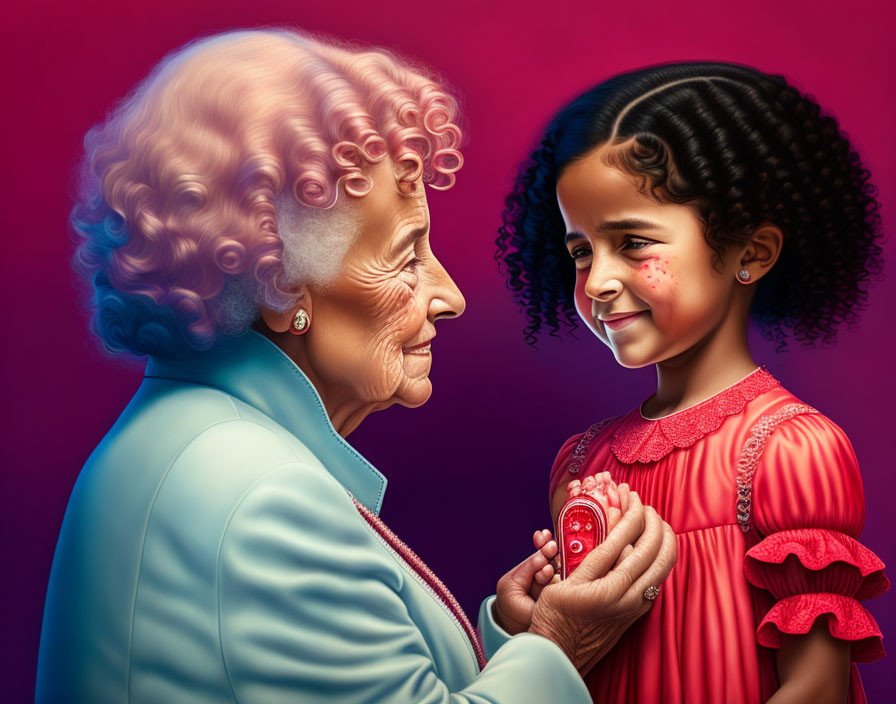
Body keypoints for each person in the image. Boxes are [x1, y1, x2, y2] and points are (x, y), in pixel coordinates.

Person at [36, 28, 677, 703]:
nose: (450, 297)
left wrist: (515, 639)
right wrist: (561, 646)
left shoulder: (176, 442)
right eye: (406, 257)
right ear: (281, 286)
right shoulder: (264, 497)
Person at [497, 62, 888, 704]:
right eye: (581, 251)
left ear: (750, 253)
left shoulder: (791, 450)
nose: (596, 282)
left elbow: (818, 687)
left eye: (634, 242)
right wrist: (529, 627)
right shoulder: (580, 462)